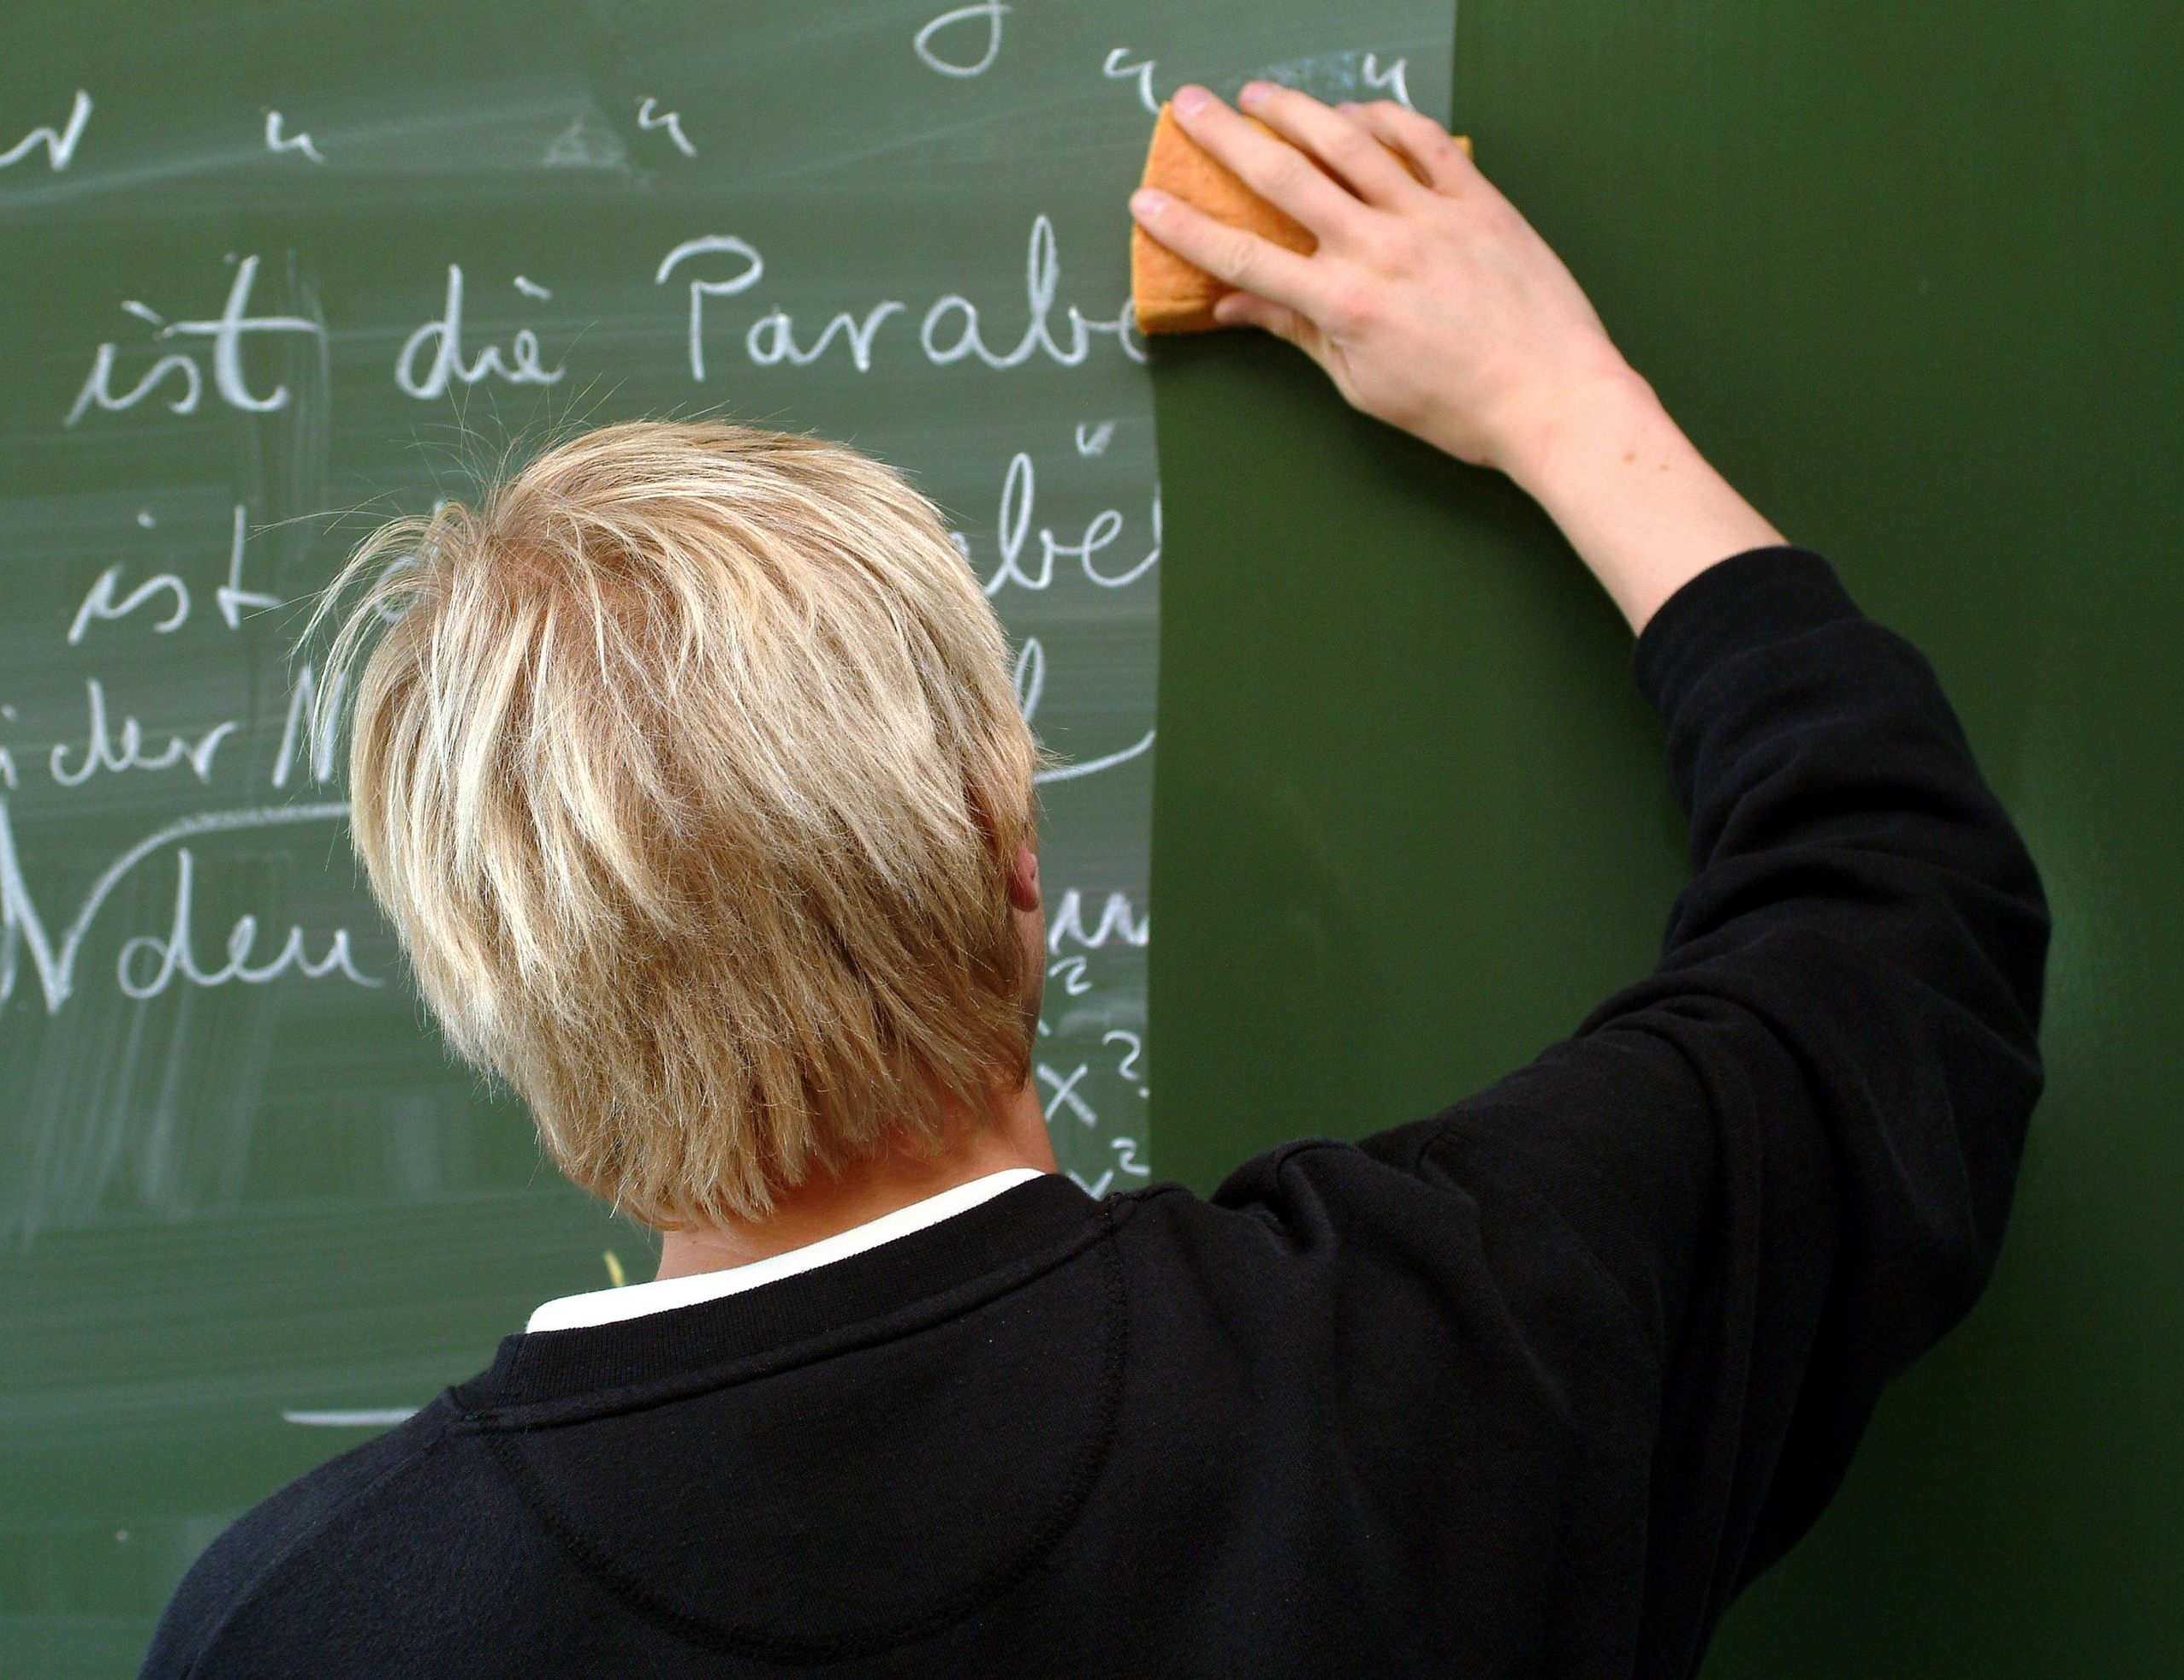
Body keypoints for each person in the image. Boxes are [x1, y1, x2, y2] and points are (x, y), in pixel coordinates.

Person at [139, 82, 2048, 1678]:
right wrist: (1558, 403)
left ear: (499, 1002)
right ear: (1007, 845)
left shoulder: (303, 1628)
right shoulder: (1420, 1383)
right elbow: (1900, 918)